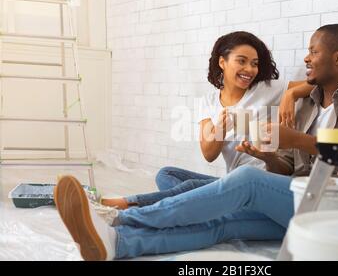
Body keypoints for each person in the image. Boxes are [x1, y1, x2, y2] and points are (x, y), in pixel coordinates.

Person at [54, 24, 338, 260]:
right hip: (292, 204)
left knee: (245, 182)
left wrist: (295, 134)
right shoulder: (307, 105)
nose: (306, 58)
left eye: (313, 51)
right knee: (222, 223)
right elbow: (287, 169)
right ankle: (117, 243)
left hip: (329, 209)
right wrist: (266, 155)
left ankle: (119, 216)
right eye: (241, 61)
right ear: (221, 63)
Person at [102, 31, 313, 210]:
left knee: (192, 186)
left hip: (261, 178)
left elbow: (316, 83)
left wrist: (290, 95)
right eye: (242, 61)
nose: (250, 69)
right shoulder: (208, 102)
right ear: (222, 62)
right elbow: (209, 155)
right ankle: (209, 201)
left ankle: (131, 204)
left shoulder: (267, 88)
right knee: (167, 174)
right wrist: (219, 129)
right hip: (233, 180)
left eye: (254, 64)